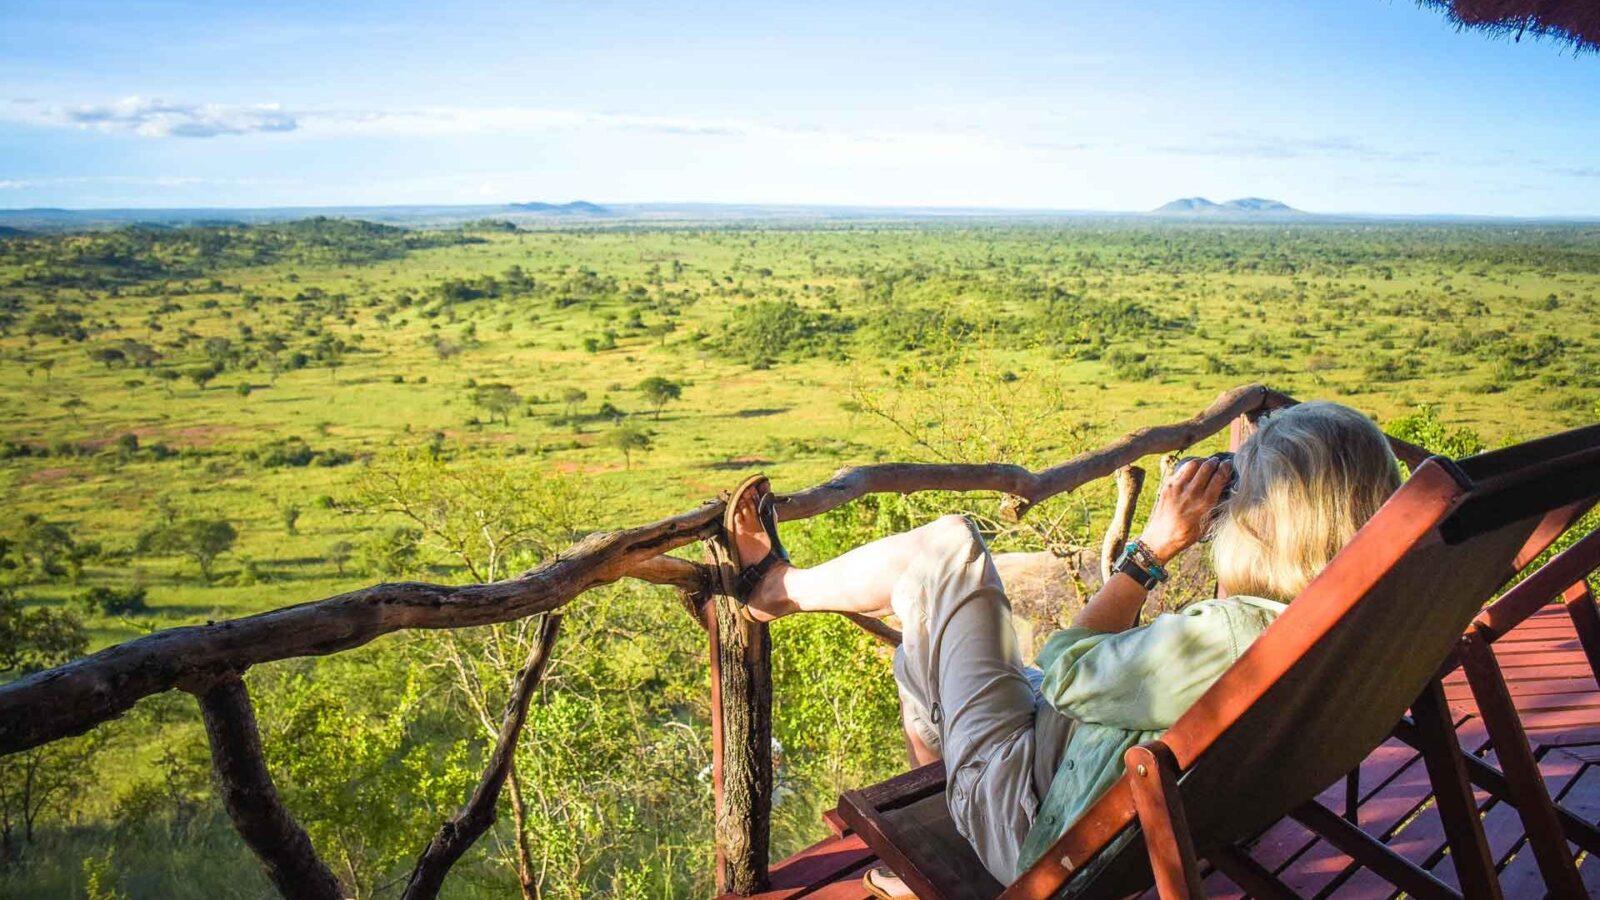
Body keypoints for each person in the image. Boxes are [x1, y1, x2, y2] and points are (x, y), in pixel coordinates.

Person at [723, 401, 1402, 896]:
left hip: (1038, 834)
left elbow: (1063, 672)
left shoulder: (1237, 636)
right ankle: (784, 592)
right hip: (1133, 815)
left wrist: (1150, 553)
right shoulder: (1352, 621)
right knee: (931, 637)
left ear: (1271, 522)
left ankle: (776, 591)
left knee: (948, 546)